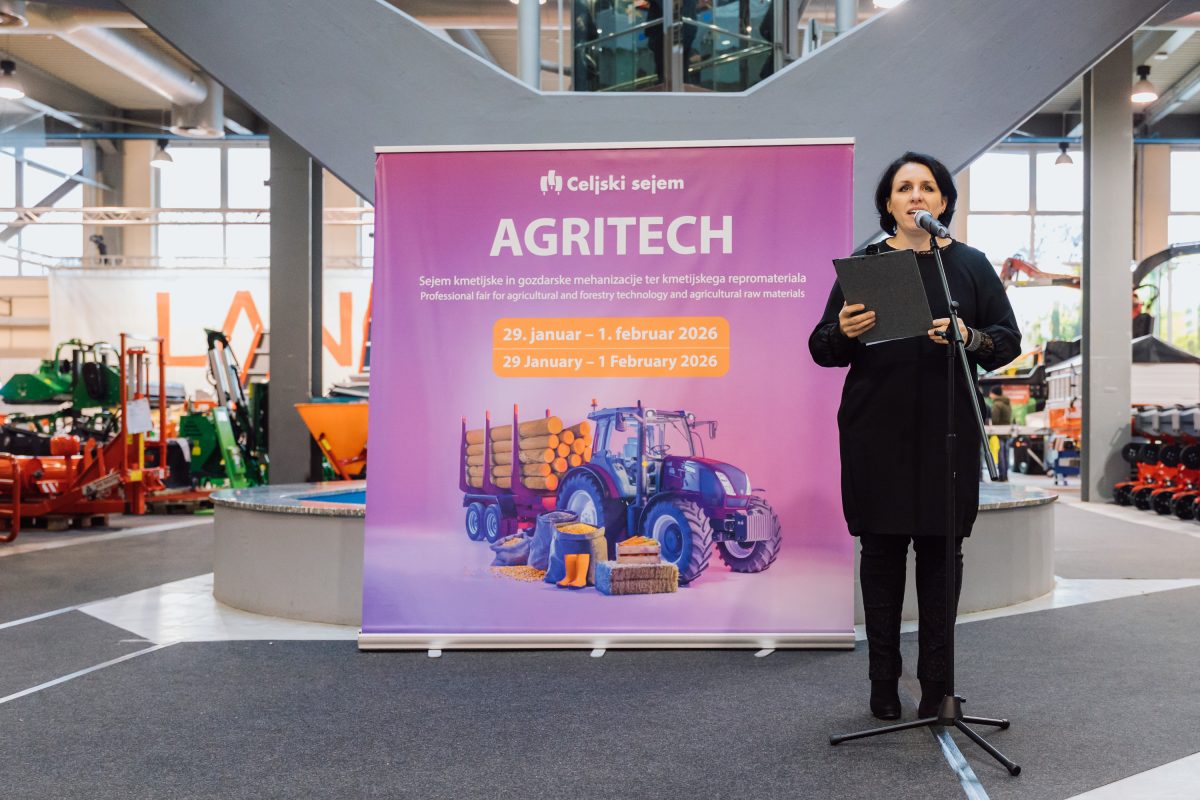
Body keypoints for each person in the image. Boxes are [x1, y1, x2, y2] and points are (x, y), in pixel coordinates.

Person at [808, 152, 1021, 721]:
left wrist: (969, 336)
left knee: (940, 557)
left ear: (943, 201)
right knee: (880, 554)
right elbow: (822, 348)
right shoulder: (865, 265)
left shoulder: (968, 265)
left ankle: (936, 684)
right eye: (904, 188)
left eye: (928, 187)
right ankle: (882, 680)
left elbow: (1007, 340)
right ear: (888, 202)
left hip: (946, 431)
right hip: (875, 431)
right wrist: (842, 330)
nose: (916, 195)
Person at [989, 386, 1012, 481]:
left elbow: (995, 419)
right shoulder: (1007, 403)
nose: (990, 395)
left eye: (991, 393)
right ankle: (1005, 476)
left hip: (999, 432)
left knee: (1000, 455)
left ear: (994, 394)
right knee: (1006, 455)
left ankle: (1001, 476)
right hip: (1006, 432)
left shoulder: (997, 404)